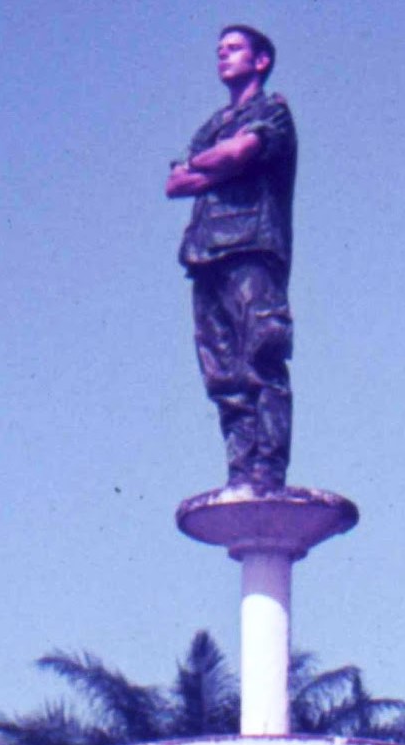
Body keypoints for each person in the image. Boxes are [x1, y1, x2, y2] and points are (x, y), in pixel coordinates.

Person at [166, 25, 297, 491]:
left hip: (251, 247)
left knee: (261, 356)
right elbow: (174, 184)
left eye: (234, 48)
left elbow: (241, 151)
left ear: (261, 60)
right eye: (219, 50)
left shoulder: (272, 112)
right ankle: (240, 472)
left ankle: (267, 470)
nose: (223, 55)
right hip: (205, 255)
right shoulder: (212, 124)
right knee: (222, 373)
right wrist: (219, 162)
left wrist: (213, 162)